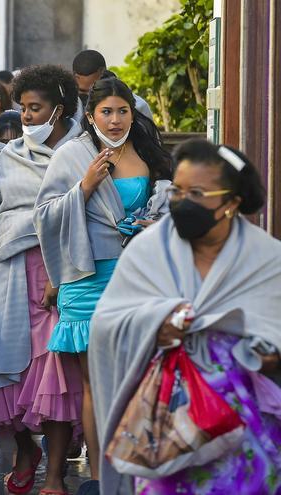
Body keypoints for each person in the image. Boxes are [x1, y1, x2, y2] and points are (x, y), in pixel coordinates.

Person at [89, 139, 281, 495]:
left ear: (231, 202)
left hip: (246, 426)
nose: (181, 201)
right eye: (177, 190)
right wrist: (153, 324)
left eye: (196, 193)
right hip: (167, 421)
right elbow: (106, 323)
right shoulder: (147, 249)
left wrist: (272, 357)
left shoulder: (268, 258)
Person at [34, 77, 173, 482]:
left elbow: (168, 208)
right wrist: (85, 186)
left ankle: (136, 470)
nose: (114, 120)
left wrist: (153, 223)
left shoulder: (149, 152)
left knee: (135, 376)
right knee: (96, 384)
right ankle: (100, 478)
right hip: (87, 275)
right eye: (106, 112)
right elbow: (44, 215)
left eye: (122, 111)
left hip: (137, 276)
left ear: (133, 111)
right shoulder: (71, 155)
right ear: (91, 115)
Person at [0, 65, 85, 495]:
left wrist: (60, 273)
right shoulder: (9, 155)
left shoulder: (84, 152)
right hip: (10, 271)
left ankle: (58, 474)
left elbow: (85, 212)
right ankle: (26, 451)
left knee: (56, 373)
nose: (25, 117)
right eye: (22, 108)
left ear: (58, 109)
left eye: (35, 108)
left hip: (62, 271)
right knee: (7, 367)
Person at [72, 50, 152, 120]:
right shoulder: (70, 110)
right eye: (82, 91)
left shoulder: (138, 107)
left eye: (93, 90)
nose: (89, 98)